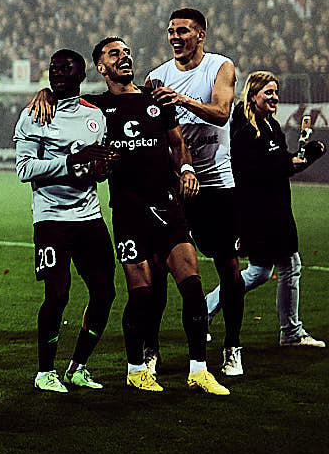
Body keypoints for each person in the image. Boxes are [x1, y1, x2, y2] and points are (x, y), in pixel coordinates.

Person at [91, 35, 229, 397]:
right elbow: (66, 110)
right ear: (101, 67)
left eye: (126, 52)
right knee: (142, 296)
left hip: (168, 206)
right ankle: (136, 369)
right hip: (129, 212)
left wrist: (187, 169)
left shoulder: (157, 98)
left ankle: (198, 370)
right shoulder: (96, 107)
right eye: (114, 54)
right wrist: (45, 94)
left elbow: (178, 143)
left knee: (192, 286)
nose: (124, 57)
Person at [145, 8, 245, 377]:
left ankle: (232, 346)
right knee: (158, 270)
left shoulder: (220, 67)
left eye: (183, 31)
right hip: (175, 186)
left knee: (228, 267)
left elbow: (221, 112)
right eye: (171, 31)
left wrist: (182, 100)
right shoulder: (156, 76)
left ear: (200, 35)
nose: (175, 37)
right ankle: (150, 349)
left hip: (216, 183)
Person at [13, 48, 118, 394]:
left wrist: (102, 167)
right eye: (53, 68)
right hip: (52, 218)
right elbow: (24, 169)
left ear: (81, 75)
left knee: (104, 293)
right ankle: (45, 371)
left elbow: (96, 168)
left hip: (89, 216)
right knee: (57, 295)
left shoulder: (94, 116)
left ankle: (78, 367)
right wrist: (72, 161)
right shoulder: (35, 114)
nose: (57, 73)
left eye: (65, 69)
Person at [228, 70, 327, 350]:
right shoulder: (243, 130)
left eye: (276, 92)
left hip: (277, 207)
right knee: (286, 265)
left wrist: (306, 158)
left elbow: (282, 165)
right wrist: (288, 164)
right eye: (268, 92)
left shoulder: (270, 125)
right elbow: (248, 172)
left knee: (262, 271)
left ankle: (205, 311)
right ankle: (291, 332)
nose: (274, 97)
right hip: (259, 211)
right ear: (253, 95)